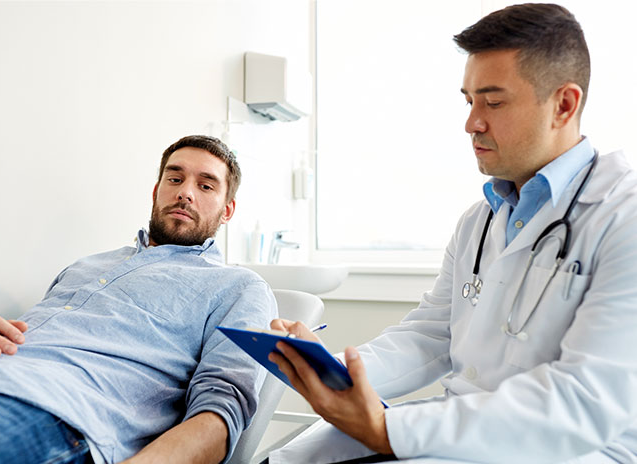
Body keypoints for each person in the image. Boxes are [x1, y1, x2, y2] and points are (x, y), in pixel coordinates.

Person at [267, 4, 637, 463]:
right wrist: (333, 371)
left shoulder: (623, 215)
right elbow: (432, 334)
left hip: (574, 448)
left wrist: (390, 430)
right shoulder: (479, 221)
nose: (472, 123)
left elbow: (585, 401)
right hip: (462, 426)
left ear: (564, 104)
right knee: (290, 457)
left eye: (494, 102)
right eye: (469, 101)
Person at [0, 135, 278, 464]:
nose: (185, 193)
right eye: (174, 178)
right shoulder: (86, 266)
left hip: (47, 410)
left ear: (227, 210)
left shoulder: (239, 287)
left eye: (206, 186)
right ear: (156, 191)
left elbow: (222, 410)